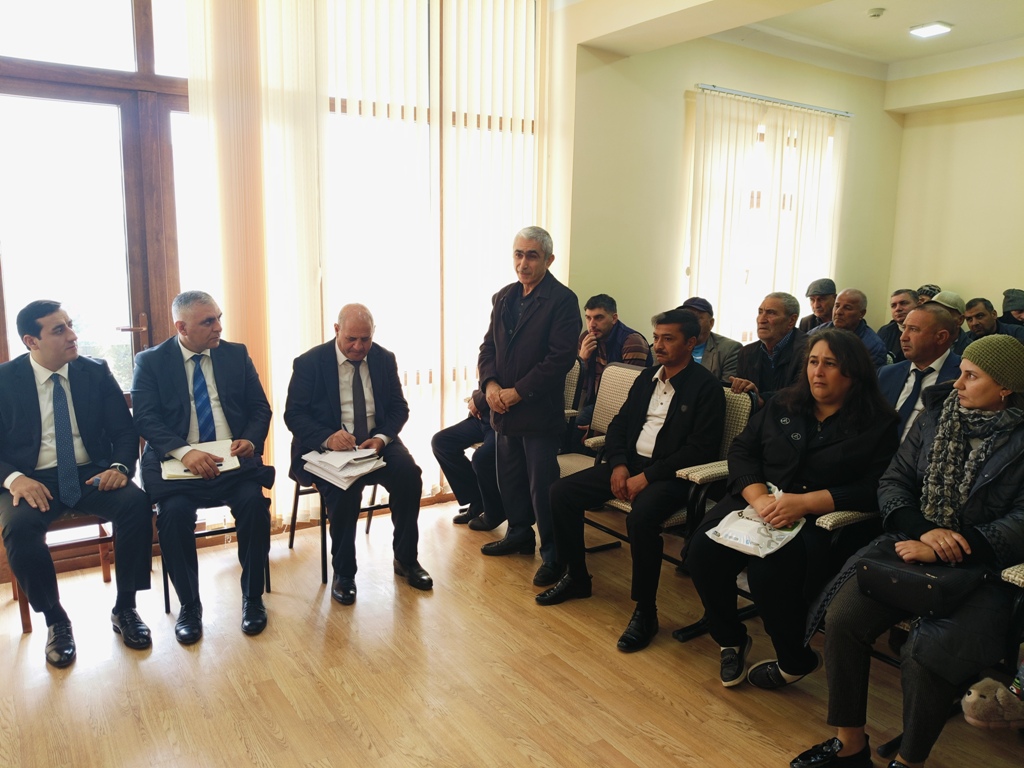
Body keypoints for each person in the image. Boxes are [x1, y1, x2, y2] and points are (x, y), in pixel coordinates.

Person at [794, 334, 1024, 768]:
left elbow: (1021, 520)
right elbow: (894, 481)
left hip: (986, 567)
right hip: (911, 544)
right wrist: (924, 530)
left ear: (1005, 388)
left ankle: (909, 760)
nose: (957, 383)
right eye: (960, 373)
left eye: (971, 376)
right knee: (842, 619)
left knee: (925, 654)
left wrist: (951, 546)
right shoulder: (936, 417)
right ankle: (849, 744)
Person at [683, 328, 898, 688]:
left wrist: (808, 502)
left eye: (830, 364)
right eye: (813, 362)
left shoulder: (879, 423)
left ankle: (795, 658)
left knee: (768, 574)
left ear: (854, 372)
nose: (818, 372)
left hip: (818, 518)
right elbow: (742, 450)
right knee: (702, 553)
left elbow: (877, 486)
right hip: (757, 502)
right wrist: (758, 497)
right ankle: (730, 638)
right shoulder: (784, 402)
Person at [538, 309, 725, 653]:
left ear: (691, 343)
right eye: (656, 338)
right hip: (630, 464)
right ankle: (576, 576)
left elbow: (700, 449)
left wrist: (647, 477)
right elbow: (619, 425)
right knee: (561, 492)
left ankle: (645, 610)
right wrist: (620, 466)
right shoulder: (647, 378)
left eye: (668, 339)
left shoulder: (706, 388)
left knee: (641, 519)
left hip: (672, 475)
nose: (658, 346)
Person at [0, 300, 154, 667]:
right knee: (19, 528)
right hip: (31, 478)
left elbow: (123, 430)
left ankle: (126, 607)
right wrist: (14, 479)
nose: (73, 335)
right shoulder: (4, 380)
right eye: (59, 330)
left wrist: (120, 466)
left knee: (135, 504)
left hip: (91, 472)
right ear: (31, 341)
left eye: (69, 325)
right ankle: (56, 620)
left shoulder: (95, 372)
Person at [132, 291, 275, 644]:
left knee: (254, 506)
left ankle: (252, 598)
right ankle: (190, 606)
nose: (218, 327)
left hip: (232, 462)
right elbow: (146, 418)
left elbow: (260, 408)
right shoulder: (151, 362)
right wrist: (184, 452)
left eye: (219, 318)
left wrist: (250, 440)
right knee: (173, 515)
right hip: (178, 466)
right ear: (181, 327)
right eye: (208, 322)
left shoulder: (235, 354)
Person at [285, 303, 431, 606]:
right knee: (345, 489)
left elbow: (399, 408)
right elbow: (294, 415)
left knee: (409, 476)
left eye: (366, 339)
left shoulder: (383, 358)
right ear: (337, 330)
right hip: (326, 449)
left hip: (375, 443)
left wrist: (381, 438)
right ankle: (344, 573)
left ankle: (406, 560)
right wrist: (328, 437)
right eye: (351, 339)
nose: (359, 346)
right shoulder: (310, 363)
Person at [477, 226, 581, 587]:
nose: (523, 263)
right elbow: (487, 348)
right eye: (518, 254)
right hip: (503, 410)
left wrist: (518, 392)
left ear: (549, 259)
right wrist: (490, 385)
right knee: (510, 480)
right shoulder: (504, 297)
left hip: (537, 412)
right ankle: (519, 534)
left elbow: (560, 359)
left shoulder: (562, 300)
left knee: (542, 488)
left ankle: (553, 555)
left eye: (532, 256)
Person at [878, 303, 961, 441]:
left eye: (913, 329)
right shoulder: (887, 374)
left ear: (941, 337)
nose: (903, 337)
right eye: (904, 328)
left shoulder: (962, 376)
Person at [575, 294, 652, 435]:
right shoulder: (586, 338)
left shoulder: (632, 341)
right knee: (562, 424)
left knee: (577, 429)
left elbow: (631, 392)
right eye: (588, 318)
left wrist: (600, 425)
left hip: (624, 409)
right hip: (596, 403)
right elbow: (580, 386)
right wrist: (582, 360)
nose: (592, 324)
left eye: (598, 318)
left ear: (614, 318)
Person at [430, 389, 505, 530]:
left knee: (481, 458)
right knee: (441, 442)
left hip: (501, 421)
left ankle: (495, 509)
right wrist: (476, 399)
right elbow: (485, 383)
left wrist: (478, 400)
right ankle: (478, 498)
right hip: (482, 418)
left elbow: (503, 384)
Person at [730, 292, 807, 407]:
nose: (761, 319)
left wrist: (762, 399)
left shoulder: (809, 351)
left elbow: (802, 394)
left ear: (791, 320)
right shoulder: (746, 352)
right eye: (760, 312)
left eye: (771, 313)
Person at [810, 288, 888, 368]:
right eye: (837, 306)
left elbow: (871, 375)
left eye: (847, 308)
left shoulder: (873, 346)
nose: (838, 312)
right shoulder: (816, 334)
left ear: (861, 313)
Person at [679, 297, 741, 381]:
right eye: (686, 318)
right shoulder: (669, 346)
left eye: (697, 318)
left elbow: (726, 387)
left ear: (711, 323)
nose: (690, 322)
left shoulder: (729, 349)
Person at [877, 288, 919, 364]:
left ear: (918, 305)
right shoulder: (885, 331)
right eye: (893, 305)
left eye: (903, 303)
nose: (898, 309)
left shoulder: (927, 331)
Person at [927, 291, 971, 356]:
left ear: (960, 320)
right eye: (932, 312)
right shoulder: (921, 342)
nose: (935, 318)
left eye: (942, 313)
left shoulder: (972, 351)